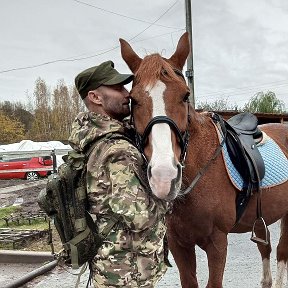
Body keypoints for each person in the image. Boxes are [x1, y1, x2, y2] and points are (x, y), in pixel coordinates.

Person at [69, 60, 170, 287]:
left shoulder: (89, 139)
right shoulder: (118, 150)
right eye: (118, 88)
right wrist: (168, 197)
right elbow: (140, 216)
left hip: (110, 264)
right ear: (95, 97)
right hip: (127, 272)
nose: (128, 93)